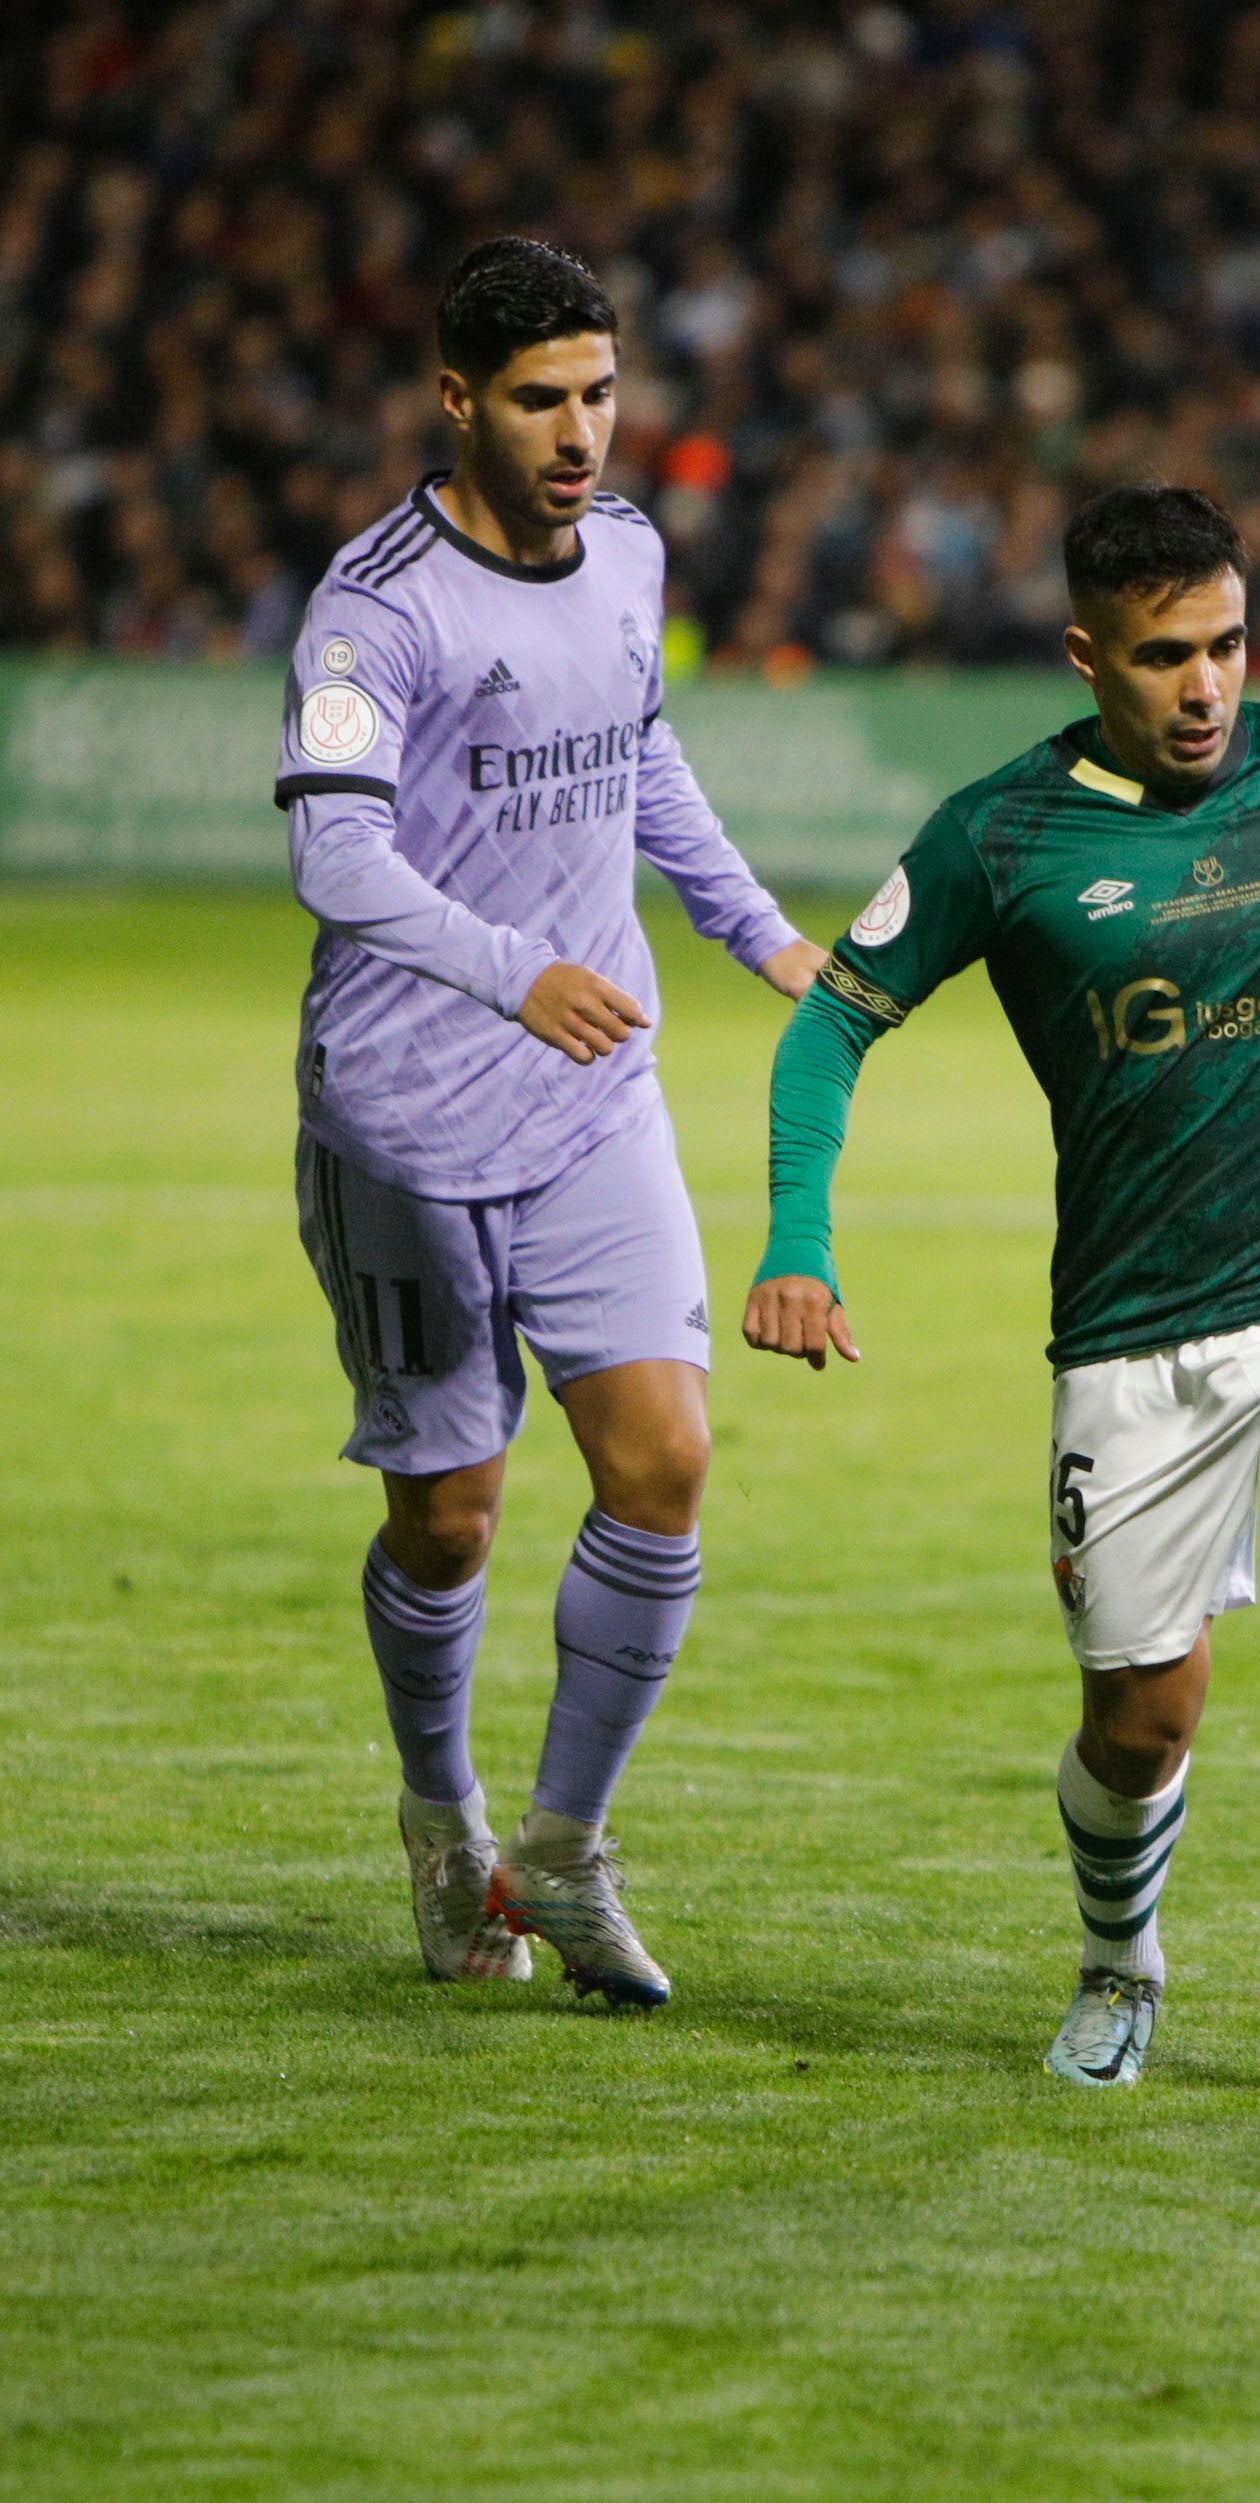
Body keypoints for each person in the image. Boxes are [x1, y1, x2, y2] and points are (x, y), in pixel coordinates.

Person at [745, 485, 1260, 2090]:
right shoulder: (1001, 834)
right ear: (1085, 657)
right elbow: (830, 1021)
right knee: (1143, 1718)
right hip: (1139, 1335)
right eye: (1167, 654)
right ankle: (1120, 1962)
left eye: (1230, 644)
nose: (1209, 686)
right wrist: (795, 1238)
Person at [279, 238, 824, 2005]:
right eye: (539, 398)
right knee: (449, 1517)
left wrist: (750, 925)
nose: (581, 428)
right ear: (456, 400)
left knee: (662, 1464)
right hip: (409, 1126)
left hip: (594, 1102)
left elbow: (640, 748)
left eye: (598, 390)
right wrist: (513, 966)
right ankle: (444, 1831)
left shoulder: (631, 557)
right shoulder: (375, 608)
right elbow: (332, 850)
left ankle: (567, 1856)